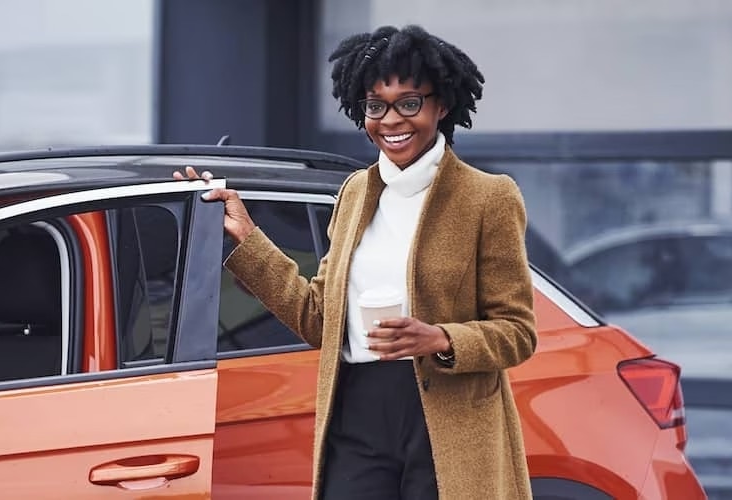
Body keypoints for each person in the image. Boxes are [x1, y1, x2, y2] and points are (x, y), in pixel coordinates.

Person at [177, 24, 537, 500]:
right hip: (357, 412)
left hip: (446, 419)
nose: (391, 120)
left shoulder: (488, 197)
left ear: (441, 106)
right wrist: (248, 237)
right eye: (375, 106)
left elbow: (518, 331)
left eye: (409, 103)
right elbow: (319, 319)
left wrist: (441, 338)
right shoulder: (354, 193)